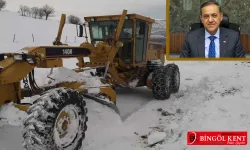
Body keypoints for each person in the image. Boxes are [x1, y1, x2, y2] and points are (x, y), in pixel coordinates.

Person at [180, 1, 246, 58]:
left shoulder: (234, 37)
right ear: (201, 19)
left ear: (221, 17)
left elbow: (242, 65)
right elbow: (182, 65)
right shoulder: (190, 37)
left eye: (214, 15)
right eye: (206, 16)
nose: (210, 20)